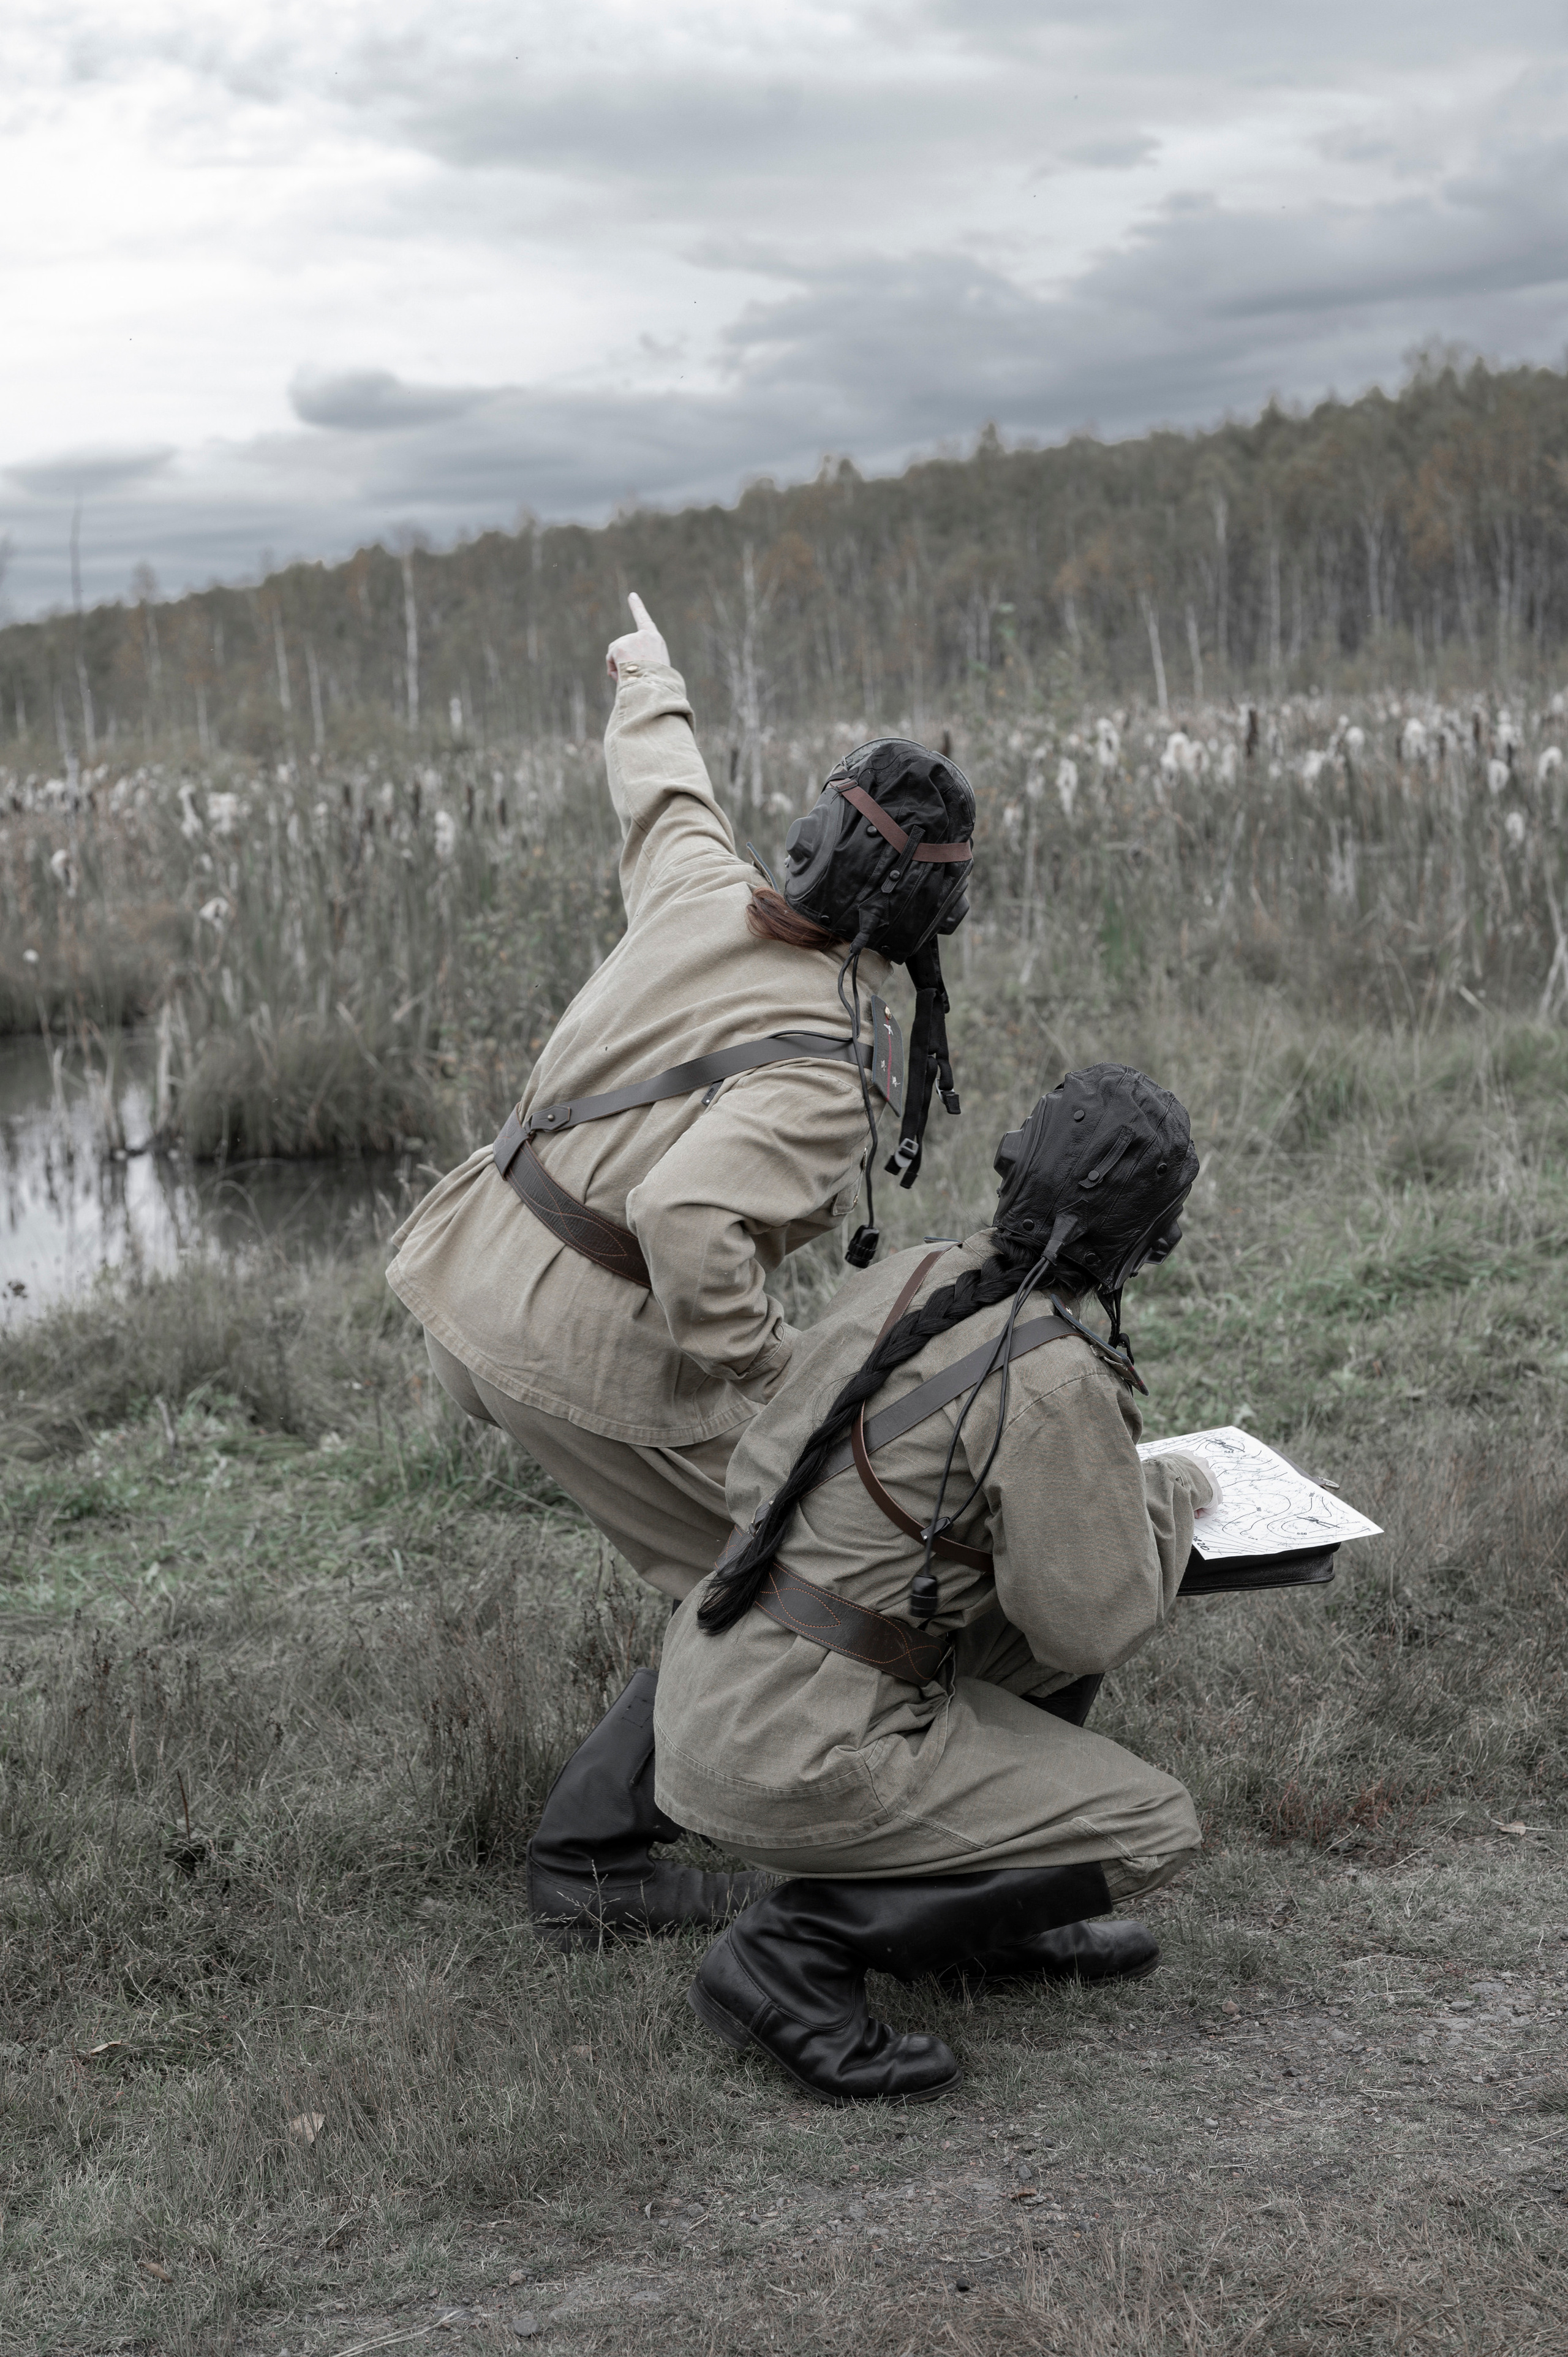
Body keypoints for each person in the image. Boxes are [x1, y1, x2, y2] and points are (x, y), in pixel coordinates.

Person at [385, 593, 975, 1944]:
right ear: (920, 907)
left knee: (746, 1547)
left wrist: (645, 672)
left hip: (471, 1266)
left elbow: (662, 789)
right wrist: (782, 1390)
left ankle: (639, 1825)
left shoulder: (702, 884)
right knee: (787, 1558)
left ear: (814, 840)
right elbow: (689, 1221)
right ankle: (593, 1860)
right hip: (564, 1336)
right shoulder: (830, 1064)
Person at [654, 1063, 1216, 2103]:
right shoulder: (1052, 1373)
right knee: (1153, 1826)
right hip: (802, 1746)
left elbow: (762, 1468)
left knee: (1015, 1619)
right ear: (1152, 1239)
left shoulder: (911, 1276)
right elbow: (1092, 1624)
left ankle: (997, 1932)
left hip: (716, 1685)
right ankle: (792, 1953)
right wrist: (1169, 1498)